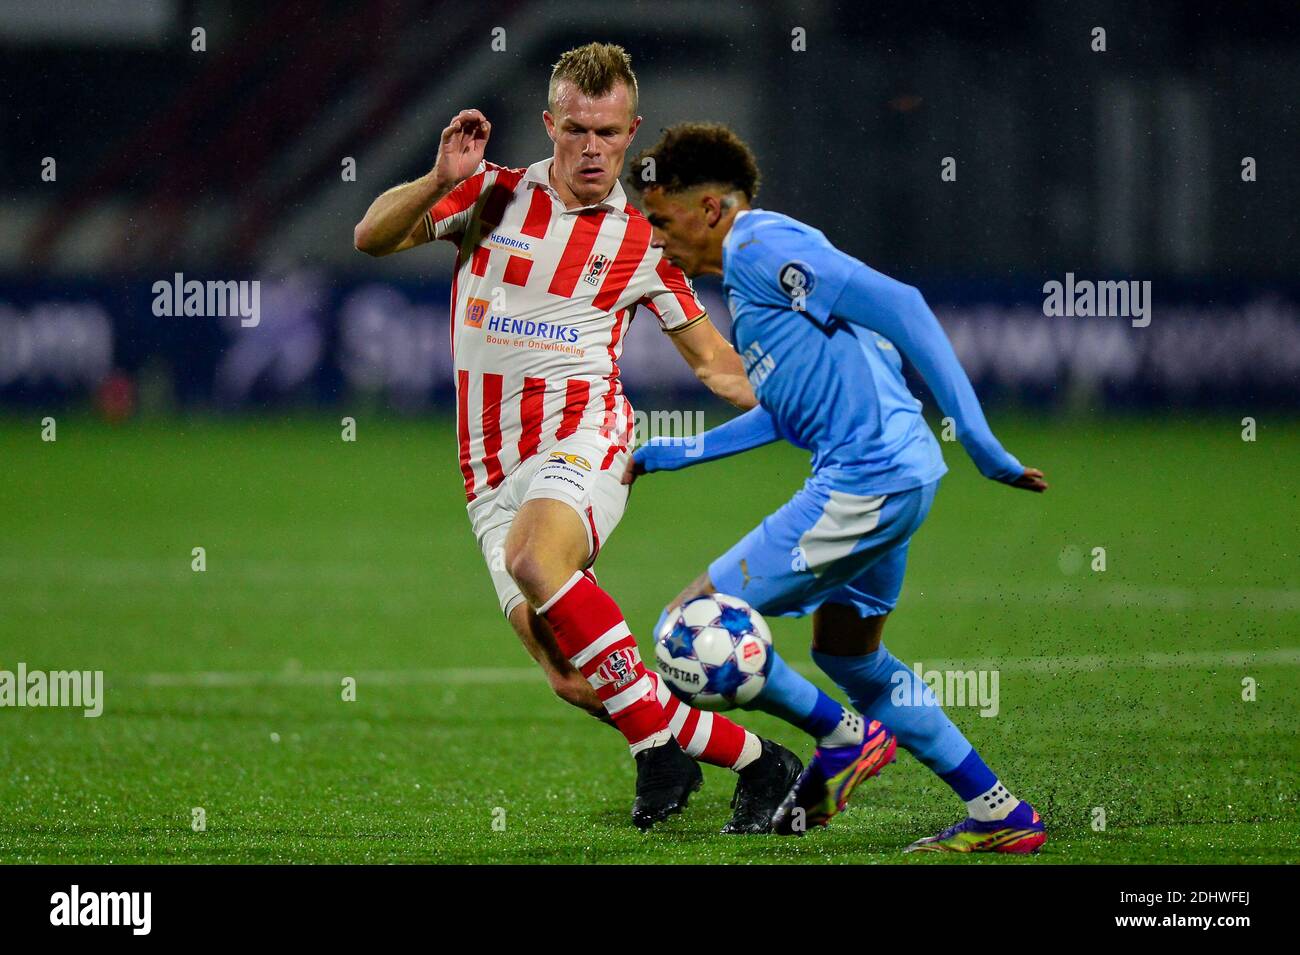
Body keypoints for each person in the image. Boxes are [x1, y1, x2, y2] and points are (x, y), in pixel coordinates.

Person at [353, 46, 798, 831]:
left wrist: (799, 393)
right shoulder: (489, 196)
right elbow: (370, 238)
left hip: (586, 438)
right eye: (578, 130)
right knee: (571, 675)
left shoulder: (644, 241)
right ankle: (761, 762)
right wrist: (436, 179)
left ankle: (658, 754)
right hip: (488, 469)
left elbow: (713, 361)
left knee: (536, 558)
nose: (593, 148)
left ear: (633, 133)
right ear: (550, 123)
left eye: (610, 133)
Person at [624, 122, 1048, 852]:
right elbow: (787, 415)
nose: (655, 237)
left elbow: (906, 305)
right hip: (900, 478)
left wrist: (978, 436)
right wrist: (669, 454)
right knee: (850, 657)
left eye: (662, 218)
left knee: (688, 623)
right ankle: (998, 810)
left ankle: (846, 739)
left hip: (867, 480)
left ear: (714, 207)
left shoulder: (760, 248)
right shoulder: (753, 280)